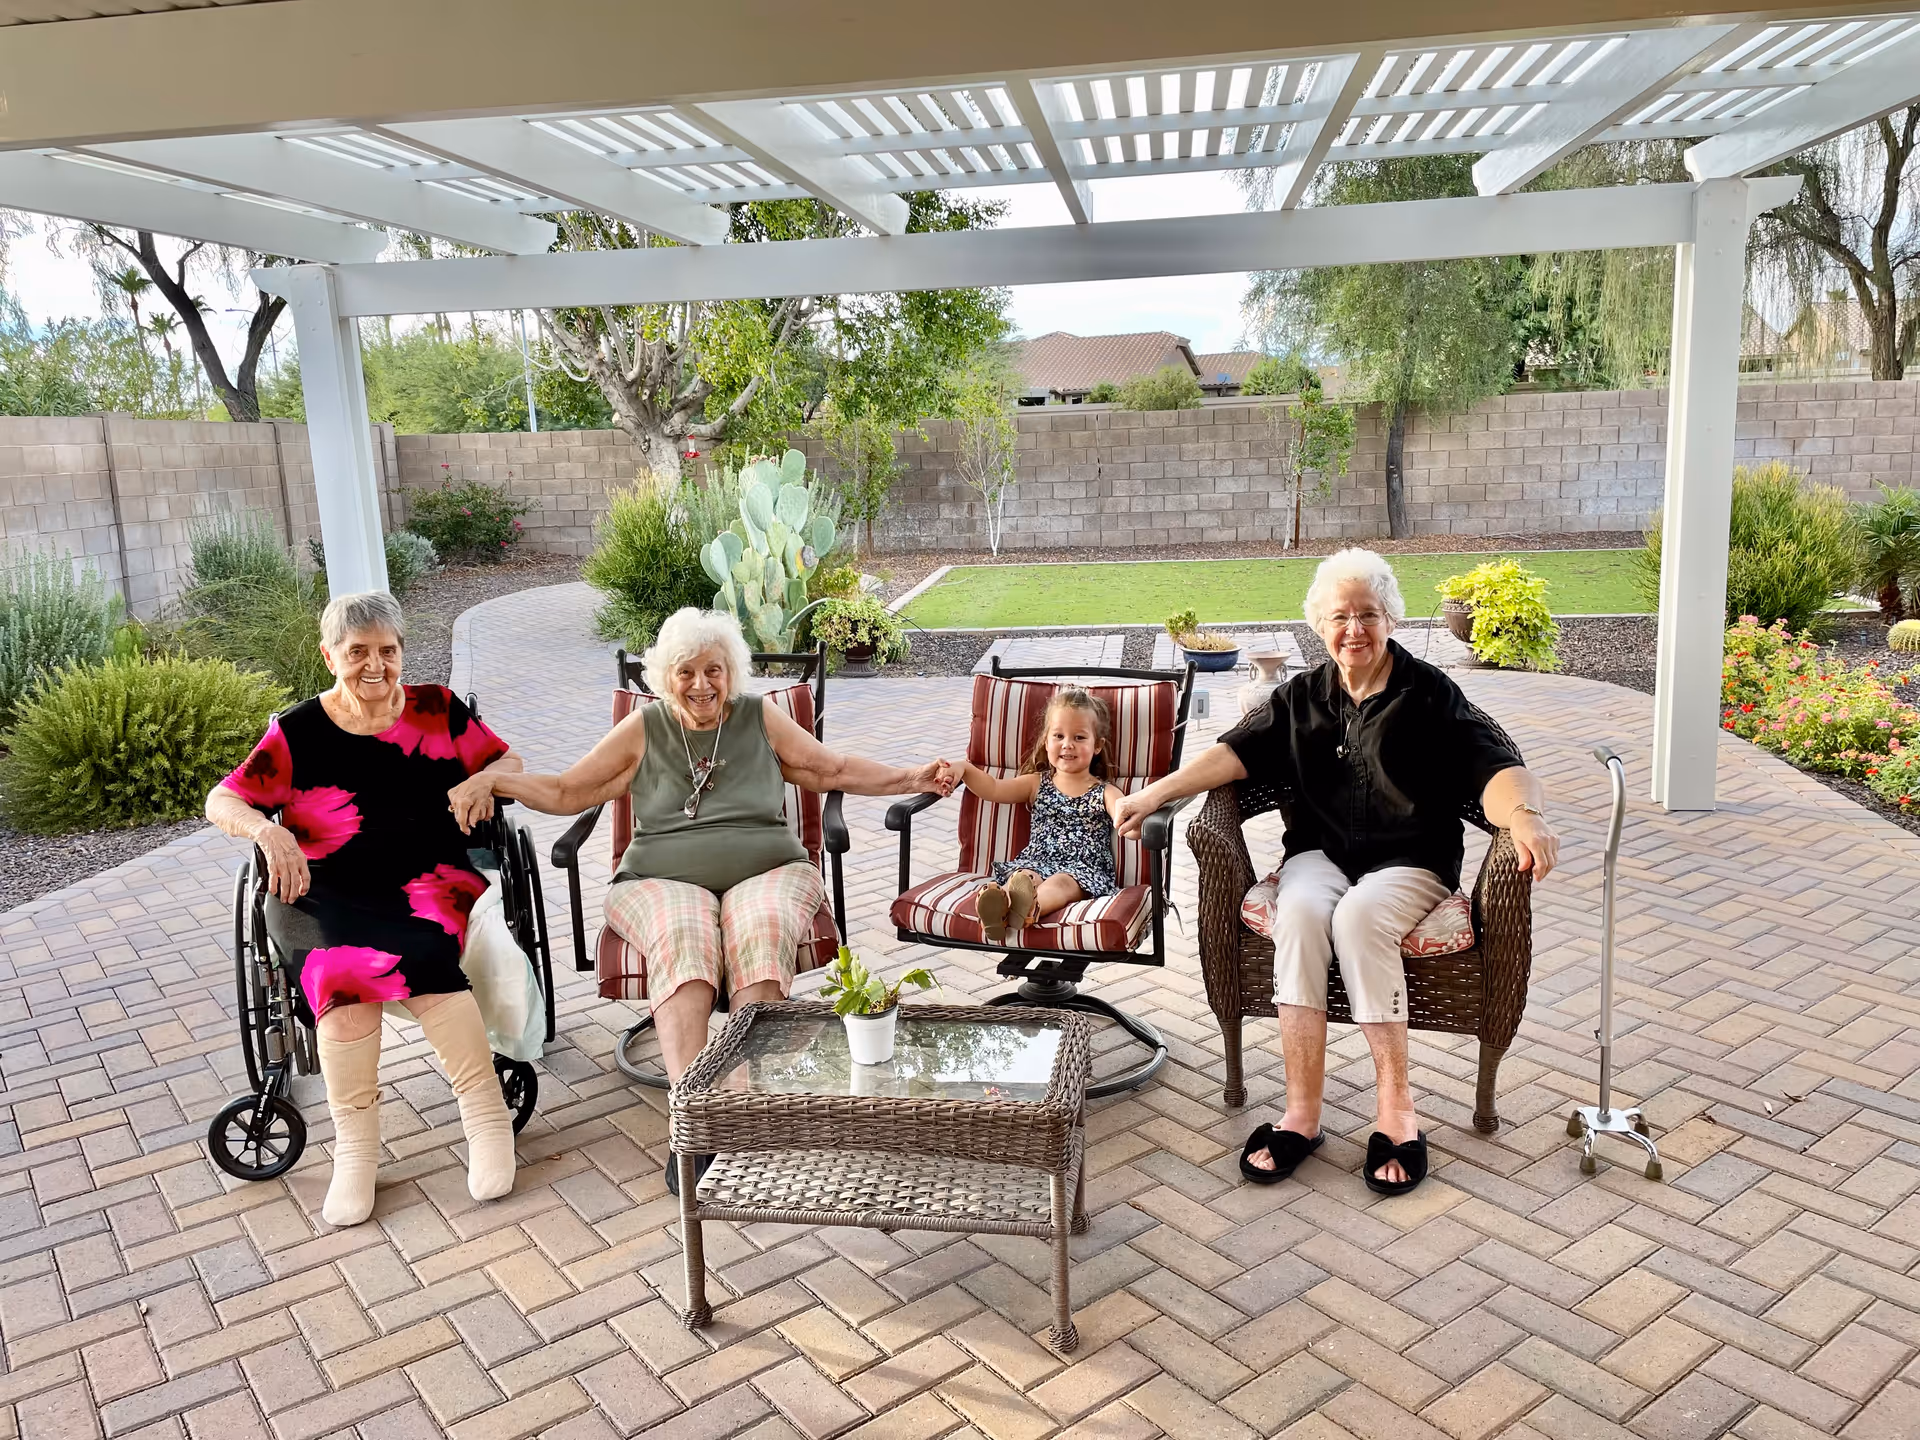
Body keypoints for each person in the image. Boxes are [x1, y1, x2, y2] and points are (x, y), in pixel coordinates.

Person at [449, 606, 955, 1192]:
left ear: (730, 670)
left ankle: (738, 1116)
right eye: (686, 671)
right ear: (666, 676)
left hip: (770, 869)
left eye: (714, 669)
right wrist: (494, 780)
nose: (701, 684)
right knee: (683, 936)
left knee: (761, 928)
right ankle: (691, 1123)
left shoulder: (758, 717)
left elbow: (830, 767)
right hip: (658, 879)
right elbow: (567, 791)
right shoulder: (645, 729)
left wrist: (912, 777)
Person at [1117, 548, 1560, 1196]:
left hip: (1410, 861)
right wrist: (1155, 794)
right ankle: (1302, 1115)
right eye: (1339, 616)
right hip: (1319, 855)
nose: (1354, 628)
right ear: (1318, 625)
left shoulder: (1430, 695)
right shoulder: (1301, 696)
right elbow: (1233, 755)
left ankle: (1397, 1114)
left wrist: (1522, 815)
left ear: (1392, 620)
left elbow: (1496, 767)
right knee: (1298, 913)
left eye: (1368, 614)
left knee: (1356, 919)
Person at [207, 591, 528, 1227]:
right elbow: (224, 799)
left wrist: (483, 778)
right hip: (320, 888)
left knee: (432, 954)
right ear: (330, 656)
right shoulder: (297, 730)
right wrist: (268, 833)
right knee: (337, 971)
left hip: (427, 881)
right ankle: (355, 1149)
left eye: (388, 650)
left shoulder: (437, 710)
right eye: (358, 653)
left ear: (402, 653)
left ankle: (486, 1117)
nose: (374, 665)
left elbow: (509, 761)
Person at [962, 687, 1123, 942]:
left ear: (1097, 746)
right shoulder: (1036, 783)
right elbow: (993, 789)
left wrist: (1135, 823)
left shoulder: (1105, 791)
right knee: (1023, 879)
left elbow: (1125, 813)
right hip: (1036, 861)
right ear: (1047, 741)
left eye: (1079, 737)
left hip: (1081, 870)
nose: (1067, 744)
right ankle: (998, 906)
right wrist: (964, 770)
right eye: (1058, 735)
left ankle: (1028, 908)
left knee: (1060, 882)